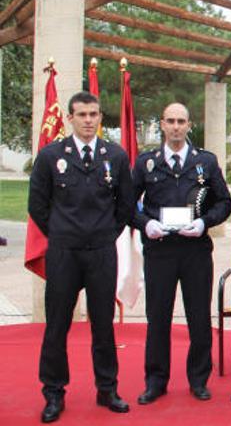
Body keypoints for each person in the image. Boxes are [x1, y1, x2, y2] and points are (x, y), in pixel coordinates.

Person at [28, 92, 134, 423]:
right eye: (82, 114)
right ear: (70, 118)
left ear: (100, 118)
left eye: (94, 114)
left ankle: (107, 389)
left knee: (103, 325)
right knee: (57, 326)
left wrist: (102, 234)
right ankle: (54, 392)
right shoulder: (50, 156)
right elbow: (38, 205)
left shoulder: (114, 156)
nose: (88, 120)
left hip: (101, 252)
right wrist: (63, 232)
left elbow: (125, 206)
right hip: (64, 253)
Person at [132, 102, 231, 405]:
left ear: (190, 125)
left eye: (181, 121)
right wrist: (145, 224)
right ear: (162, 124)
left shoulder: (206, 162)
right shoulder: (146, 162)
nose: (176, 127)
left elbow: (224, 203)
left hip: (195, 251)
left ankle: (199, 379)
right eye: (170, 121)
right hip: (160, 251)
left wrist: (204, 222)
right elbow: (126, 204)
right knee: (158, 318)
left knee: (199, 318)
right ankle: (155, 381)